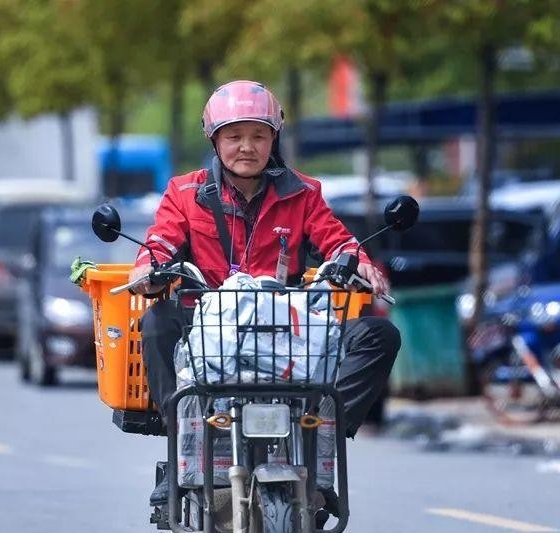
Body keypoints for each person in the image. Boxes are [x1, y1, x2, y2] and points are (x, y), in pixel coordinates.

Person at [133, 81, 400, 504]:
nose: (247, 147)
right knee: (156, 321)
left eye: (258, 135)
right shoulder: (184, 193)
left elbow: (336, 240)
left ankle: (320, 436)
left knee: (379, 334)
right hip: (208, 328)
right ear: (215, 139)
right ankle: (181, 447)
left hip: (286, 329)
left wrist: (358, 260)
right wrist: (150, 267)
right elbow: (160, 241)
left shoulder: (304, 192)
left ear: (274, 139)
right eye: (234, 136)